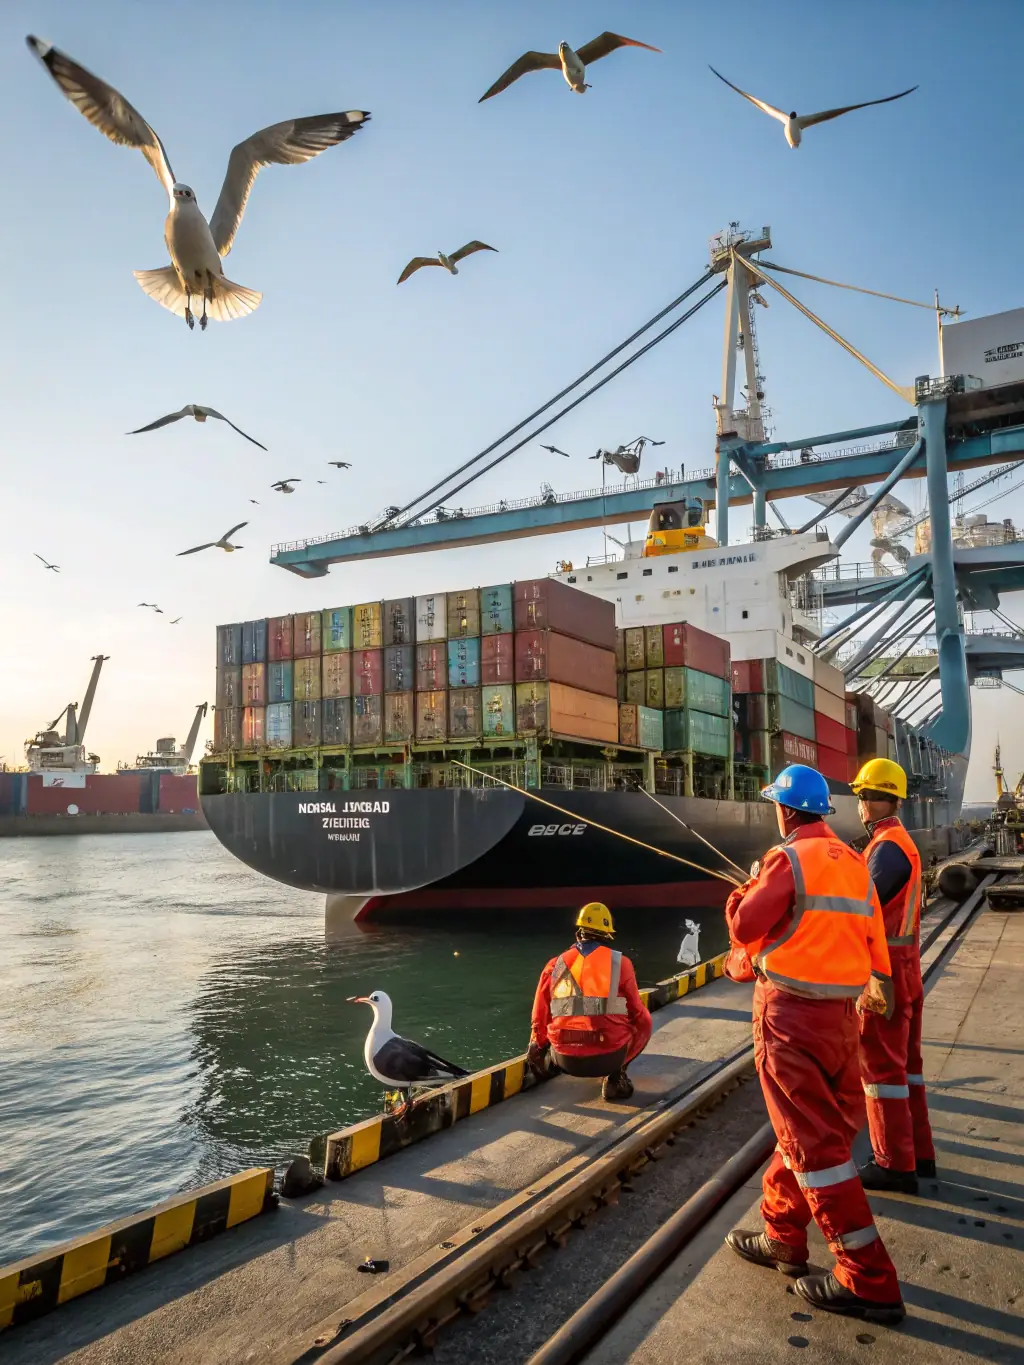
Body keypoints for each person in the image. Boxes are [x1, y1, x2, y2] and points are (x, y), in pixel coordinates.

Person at [723, 764, 905, 1324]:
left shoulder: (785, 859)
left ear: (784, 810)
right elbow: (875, 943)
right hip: (842, 1022)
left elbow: (745, 927)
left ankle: (869, 1277)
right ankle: (782, 1236)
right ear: (823, 811)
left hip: (788, 1021)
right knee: (809, 1128)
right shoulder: (854, 861)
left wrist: (741, 894)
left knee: (816, 1150)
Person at [851, 758, 935, 1193]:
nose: (859, 804)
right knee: (909, 1071)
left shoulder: (886, 849)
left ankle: (893, 1164)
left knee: (881, 1074)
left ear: (880, 799)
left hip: (885, 976)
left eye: (864, 795)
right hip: (907, 970)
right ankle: (920, 1154)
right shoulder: (900, 843)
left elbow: (858, 907)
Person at [528, 903, 651, 1101]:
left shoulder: (555, 964)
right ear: (607, 936)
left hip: (564, 1059)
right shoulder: (621, 963)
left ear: (578, 934)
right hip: (608, 1059)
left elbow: (539, 1015)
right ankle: (615, 1078)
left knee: (545, 1027)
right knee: (644, 1019)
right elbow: (638, 1015)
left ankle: (546, 1067)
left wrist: (537, 1046)